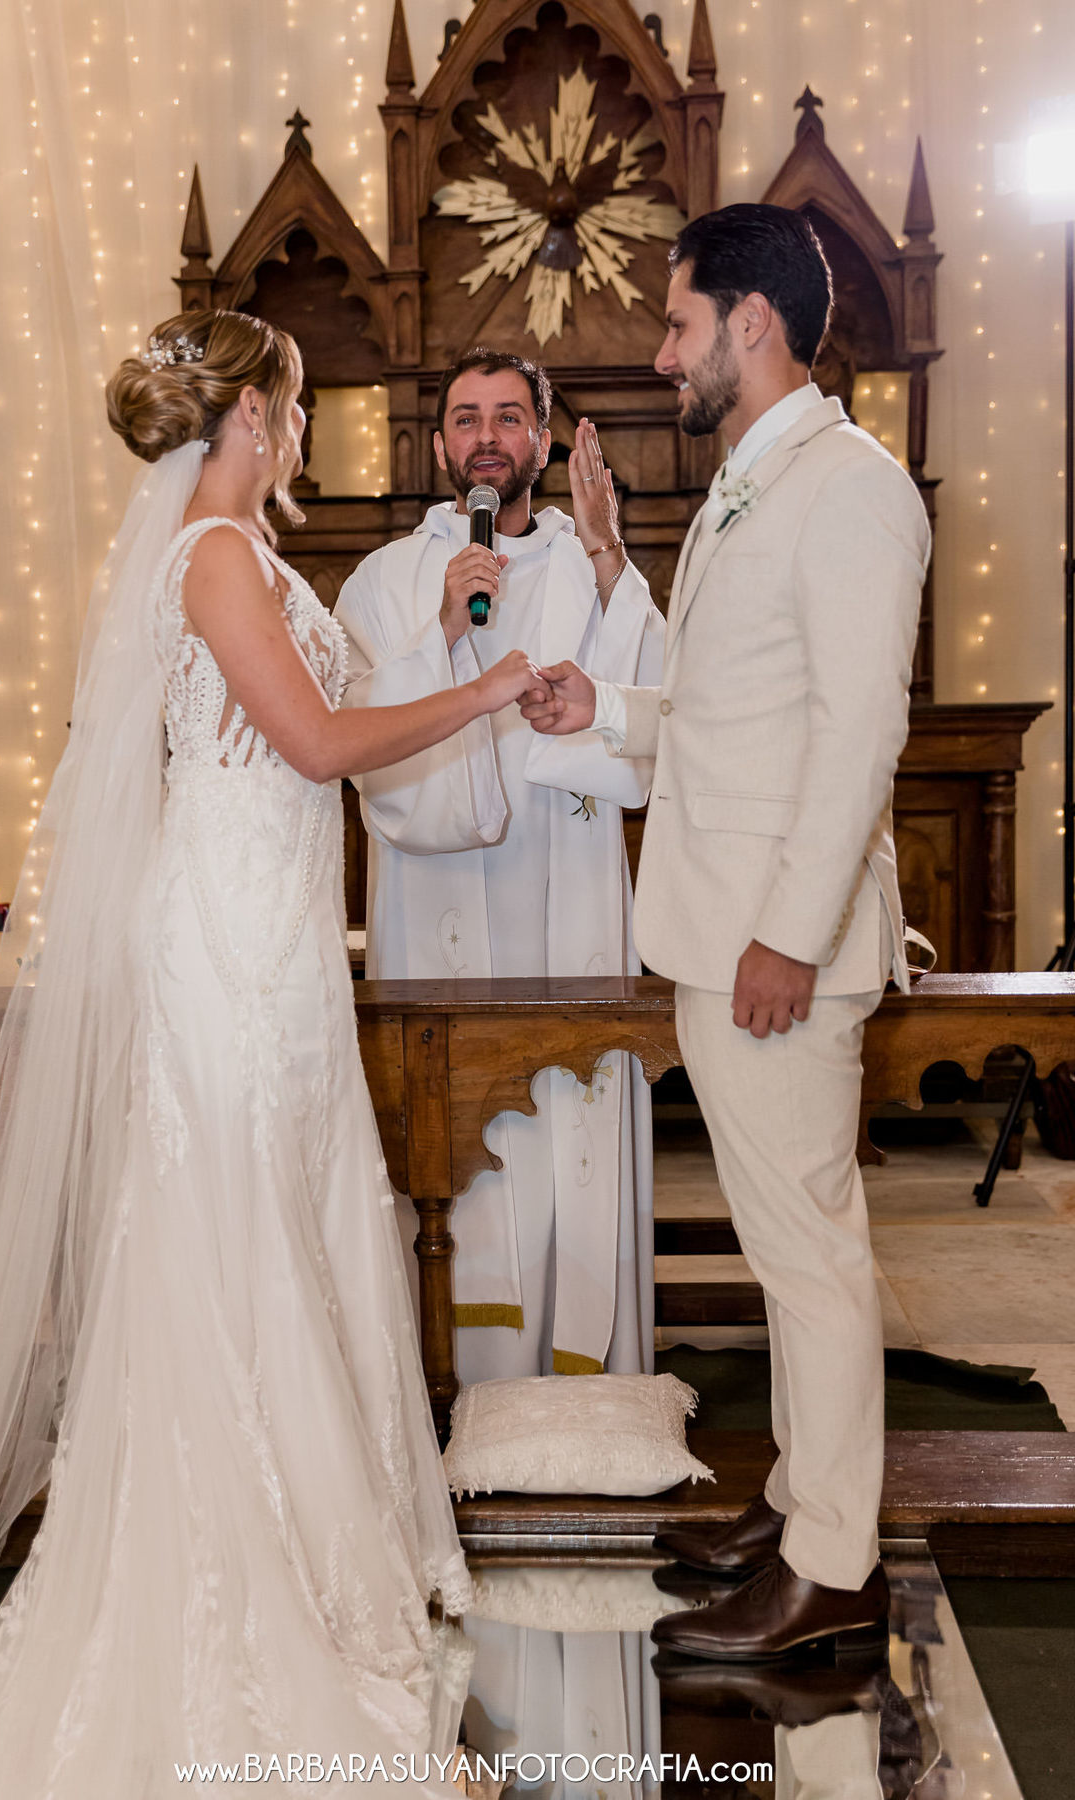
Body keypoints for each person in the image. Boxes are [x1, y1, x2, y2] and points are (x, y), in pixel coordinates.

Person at [0, 310, 542, 1793]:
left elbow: (319, 713)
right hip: (225, 947)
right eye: (291, 404)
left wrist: (448, 644)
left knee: (292, 1219)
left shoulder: (242, 552)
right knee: (235, 1238)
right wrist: (492, 686)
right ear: (249, 415)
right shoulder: (217, 556)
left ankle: (318, 1551)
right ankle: (238, 1579)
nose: (299, 427)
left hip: (278, 942)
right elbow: (318, 746)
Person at [523, 204, 930, 1660]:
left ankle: (832, 1570)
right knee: (785, 1253)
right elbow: (731, 710)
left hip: (776, 945)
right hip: (725, 930)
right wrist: (612, 711)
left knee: (812, 1259)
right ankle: (805, 1501)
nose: (661, 351)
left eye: (678, 321)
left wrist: (791, 936)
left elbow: (857, 734)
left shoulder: (852, 488)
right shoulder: (752, 484)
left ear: (752, 324)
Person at [334, 349, 665, 1383]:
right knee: (460, 1139)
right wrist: (442, 635)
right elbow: (358, 737)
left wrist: (609, 558)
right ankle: (454, 1375)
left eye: (509, 417)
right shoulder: (388, 579)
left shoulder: (589, 564)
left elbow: (663, 713)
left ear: (544, 439)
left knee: (572, 1118)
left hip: (569, 883)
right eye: (467, 418)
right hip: (438, 892)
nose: (487, 437)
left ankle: (580, 1375)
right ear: (439, 445)